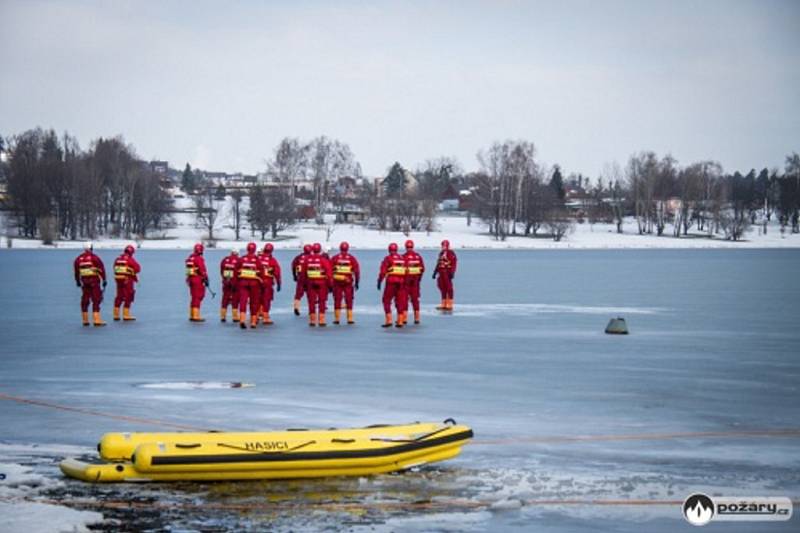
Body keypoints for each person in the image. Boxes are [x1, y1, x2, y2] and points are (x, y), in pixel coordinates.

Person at [73, 242, 107, 326]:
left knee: (85, 300)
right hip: (94, 281)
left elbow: (76, 272)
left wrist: (77, 281)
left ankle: (85, 320)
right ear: (91, 248)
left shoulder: (78, 259)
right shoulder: (94, 258)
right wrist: (104, 279)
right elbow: (101, 269)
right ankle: (96, 320)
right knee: (96, 299)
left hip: (84, 283)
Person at [300, 242, 332, 326]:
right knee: (322, 301)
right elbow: (329, 273)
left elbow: (303, 273)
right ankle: (321, 320)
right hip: (322, 283)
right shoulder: (323, 260)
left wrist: (303, 284)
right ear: (320, 250)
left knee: (311, 302)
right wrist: (330, 285)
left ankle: (312, 320)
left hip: (310, 283)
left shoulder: (307, 260)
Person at [377, 242, 408, 328]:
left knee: (386, 300)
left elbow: (383, 271)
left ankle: (389, 320)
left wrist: (379, 281)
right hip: (401, 282)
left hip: (391, 282)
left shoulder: (388, 259)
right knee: (400, 301)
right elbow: (407, 271)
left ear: (389, 250)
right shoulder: (402, 258)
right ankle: (400, 321)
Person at [235, 242, 264, 329]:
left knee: (243, 301)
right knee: (254, 303)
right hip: (254, 284)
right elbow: (261, 272)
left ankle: (242, 320)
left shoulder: (241, 259)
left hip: (243, 283)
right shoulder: (257, 260)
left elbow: (236, 271)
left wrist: (236, 283)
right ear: (255, 250)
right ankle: (253, 322)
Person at [330, 241, 360, 325]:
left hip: (337, 282)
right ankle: (350, 319)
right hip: (348, 282)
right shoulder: (351, 258)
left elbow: (329, 270)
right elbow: (357, 271)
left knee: (337, 300)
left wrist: (330, 283)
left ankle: (337, 319)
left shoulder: (335, 258)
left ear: (340, 248)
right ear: (347, 248)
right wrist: (357, 282)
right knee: (349, 300)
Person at [112, 244, 141, 321]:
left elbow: (114, 268)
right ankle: (126, 314)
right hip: (127, 280)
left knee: (119, 296)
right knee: (129, 295)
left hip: (118, 280)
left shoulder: (117, 259)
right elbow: (138, 268)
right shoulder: (130, 259)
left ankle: (116, 314)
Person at [258, 243, 282, 325]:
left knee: (257, 299)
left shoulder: (258, 258)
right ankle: (265, 317)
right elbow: (277, 273)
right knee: (266, 300)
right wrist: (279, 283)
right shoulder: (272, 260)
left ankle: (256, 315)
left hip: (257, 282)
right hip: (267, 282)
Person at [185, 243, 209, 322]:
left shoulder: (190, 257)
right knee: (198, 297)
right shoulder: (199, 259)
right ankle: (196, 316)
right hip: (197, 280)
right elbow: (202, 269)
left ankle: (192, 314)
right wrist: (206, 278)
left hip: (190, 279)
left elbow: (188, 270)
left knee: (193, 297)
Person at [403, 239, 425, 324]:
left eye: (409, 247)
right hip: (415, 281)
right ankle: (416, 318)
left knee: (405, 299)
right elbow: (422, 269)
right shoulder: (418, 256)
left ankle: (405, 318)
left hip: (407, 282)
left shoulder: (404, 257)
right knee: (414, 299)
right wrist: (419, 278)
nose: (409, 248)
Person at [433, 239, 457, 311]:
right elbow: (439, 263)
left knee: (449, 288)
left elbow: (454, 264)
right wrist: (435, 272)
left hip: (447, 272)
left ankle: (450, 304)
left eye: (445, 246)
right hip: (441, 273)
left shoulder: (451, 253)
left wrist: (452, 272)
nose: (443, 247)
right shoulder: (441, 253)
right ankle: (443, 303)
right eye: (442, 246)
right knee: (442, 288)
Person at [220, 248, 240, 322]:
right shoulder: (239, 260)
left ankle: (223, 316)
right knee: (235, 299)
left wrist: (225, 278)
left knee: (225, 298)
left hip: (226, 281)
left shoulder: (225, 260)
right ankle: (235, 317)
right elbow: (239, 272)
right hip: (235, 282)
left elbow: (221, 270)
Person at [291, 244, 312, 316]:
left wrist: (294, 275)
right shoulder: (312, 257)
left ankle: (296, 307)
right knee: (311, 294)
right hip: (310, 278)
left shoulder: (298, 257)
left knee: (298, 294)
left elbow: (293, 266)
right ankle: (311, 310)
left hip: (300, 277)